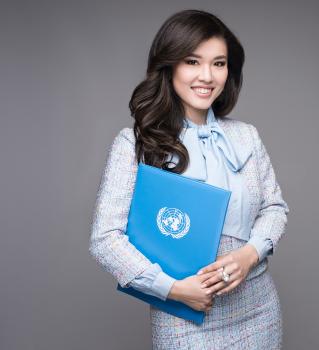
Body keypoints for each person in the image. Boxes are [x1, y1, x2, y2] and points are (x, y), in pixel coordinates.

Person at [89, 9, 290, 349]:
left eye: (219, 63)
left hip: (258, 307)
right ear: (169, 66)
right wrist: (174, 290)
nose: (207, 76)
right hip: (184, 314)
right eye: (193, 62)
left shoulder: (246, 137)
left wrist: (248, 256)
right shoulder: (135, 143)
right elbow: (105, 239)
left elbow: (275, 208)